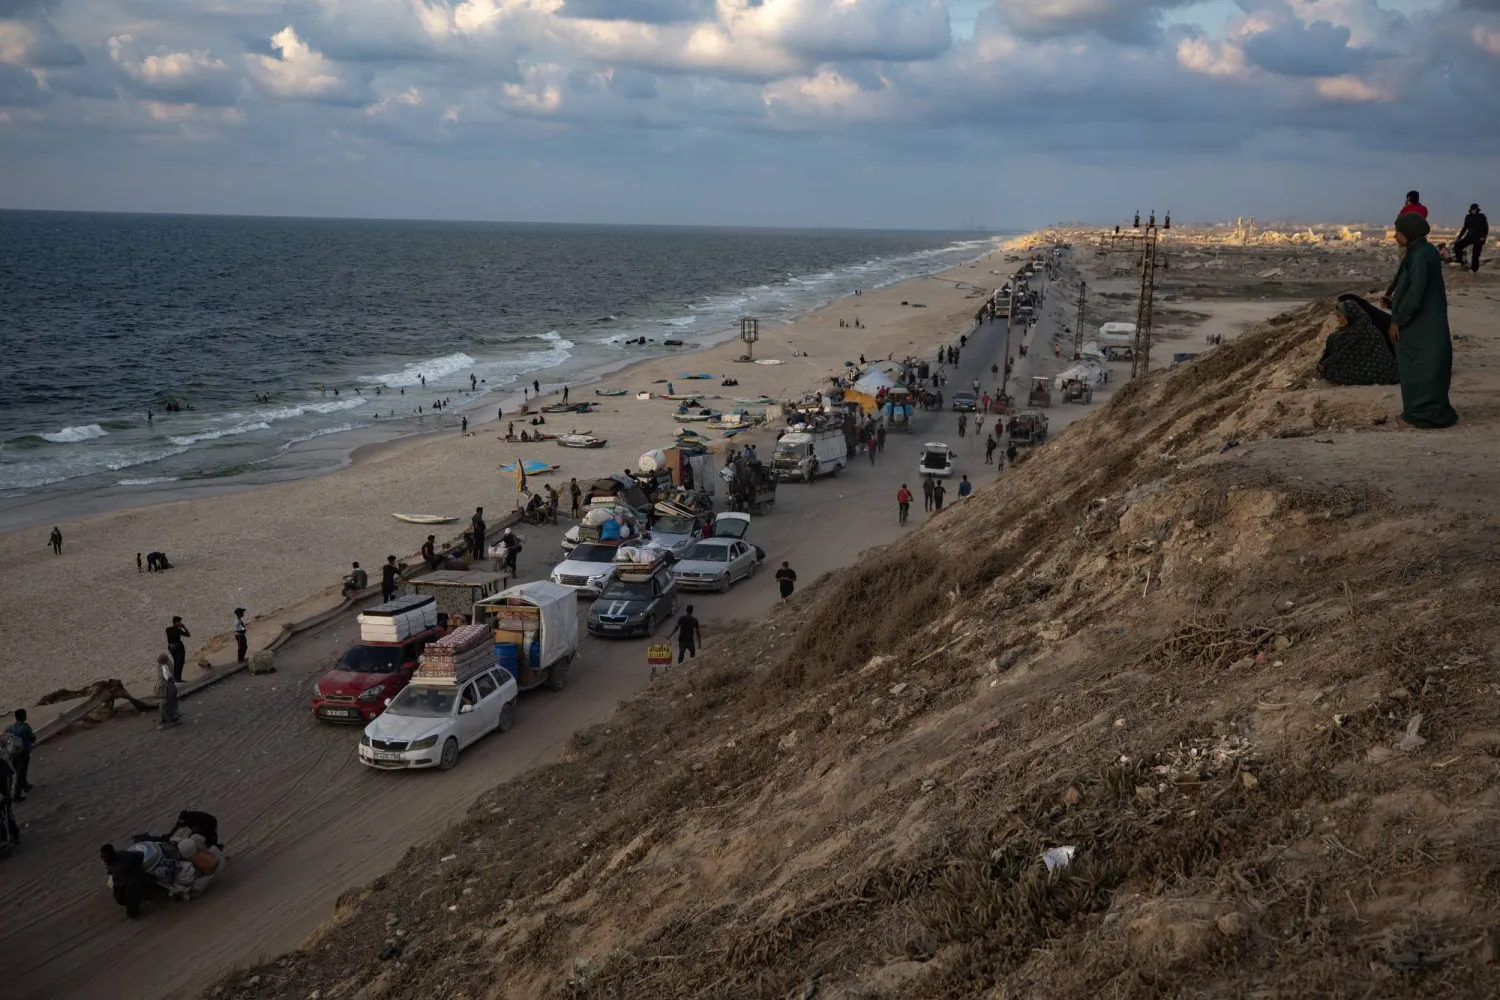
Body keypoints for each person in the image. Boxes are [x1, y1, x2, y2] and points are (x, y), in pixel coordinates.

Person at [1387, 213, 1459, 428]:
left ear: (1409, 232)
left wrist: (1398, 319)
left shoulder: (1419, 255)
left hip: (1420, 324)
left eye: (1399, 232)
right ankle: (1429, 413)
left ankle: (1420, 416)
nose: (1395, 236)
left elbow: (1415, 291)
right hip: (1426, 320)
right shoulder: (1423, 250)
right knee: (1427, 369)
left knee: (1418, 368)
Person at [1317, 296, 1399, 386]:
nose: (1337, 319)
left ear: (1349, 316)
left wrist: (1325, 365)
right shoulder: (1370, 330)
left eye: (1339, 316)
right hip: (1387, 373)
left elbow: (1342, 356)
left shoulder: (1360, 333)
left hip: (1377, 373)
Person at [5, 710, 36, 801]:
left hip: (12, 753)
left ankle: (25, 786)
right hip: (23, 753)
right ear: (22, 716)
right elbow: (33, 738)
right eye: (25, 715)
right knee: (21, 773)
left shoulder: (9, 727)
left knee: (20, 771)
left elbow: (4, 738)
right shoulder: (25, 727)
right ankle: (16, 796)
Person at [1453, 204, 1487, 273]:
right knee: (1457, 246)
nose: (1474, 211)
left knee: (1475, 254)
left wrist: (1483, 237)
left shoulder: (1482, 216)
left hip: (1479, 238)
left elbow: (1485, 227)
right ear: (1470, 210)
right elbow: (1465, 228)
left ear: (1477, 210)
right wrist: (1459, 237)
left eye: (1475, 210)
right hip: (1469, 237)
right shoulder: (1468, 217)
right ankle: (1461, 261)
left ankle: (1474, 269)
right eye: (1472, 210)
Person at [155, 653, 181, 730]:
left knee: (163, 705)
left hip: (168, 688)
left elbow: (167, 677)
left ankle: (168, 721)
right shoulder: (166, 666)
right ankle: (174, 719)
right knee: (171, 704)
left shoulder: (166, 667)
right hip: (169, 688)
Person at [165, 616, 189, 682]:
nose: (180, 623)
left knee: (179, 662)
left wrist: (184, 627)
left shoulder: (173, 630)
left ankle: (178, 678)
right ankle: (177, 678)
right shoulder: (169, 629)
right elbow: (174, 634)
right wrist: (181, 628)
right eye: (179, 622)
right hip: (176, 646)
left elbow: (188, 635)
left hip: (175, 646)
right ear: (175, 622)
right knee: (178, 662)